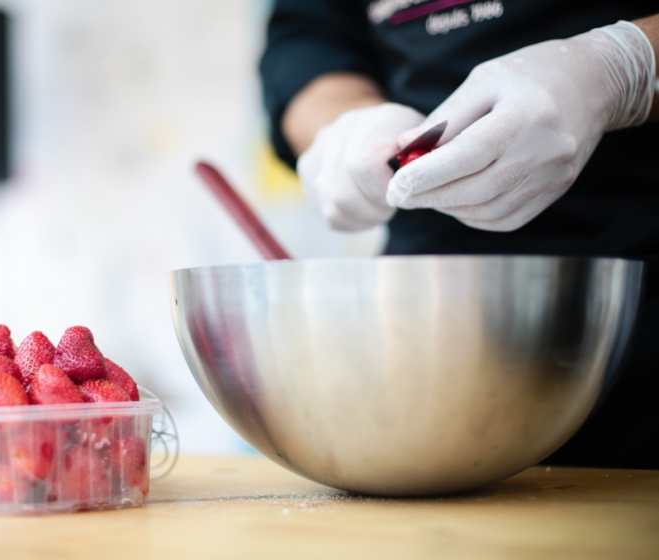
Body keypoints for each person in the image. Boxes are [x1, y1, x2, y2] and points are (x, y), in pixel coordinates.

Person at [259, 0, 659, 469]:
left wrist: (624, 66)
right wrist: (345, 123)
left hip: (636, 303)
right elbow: (309, 33)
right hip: (423, 333)